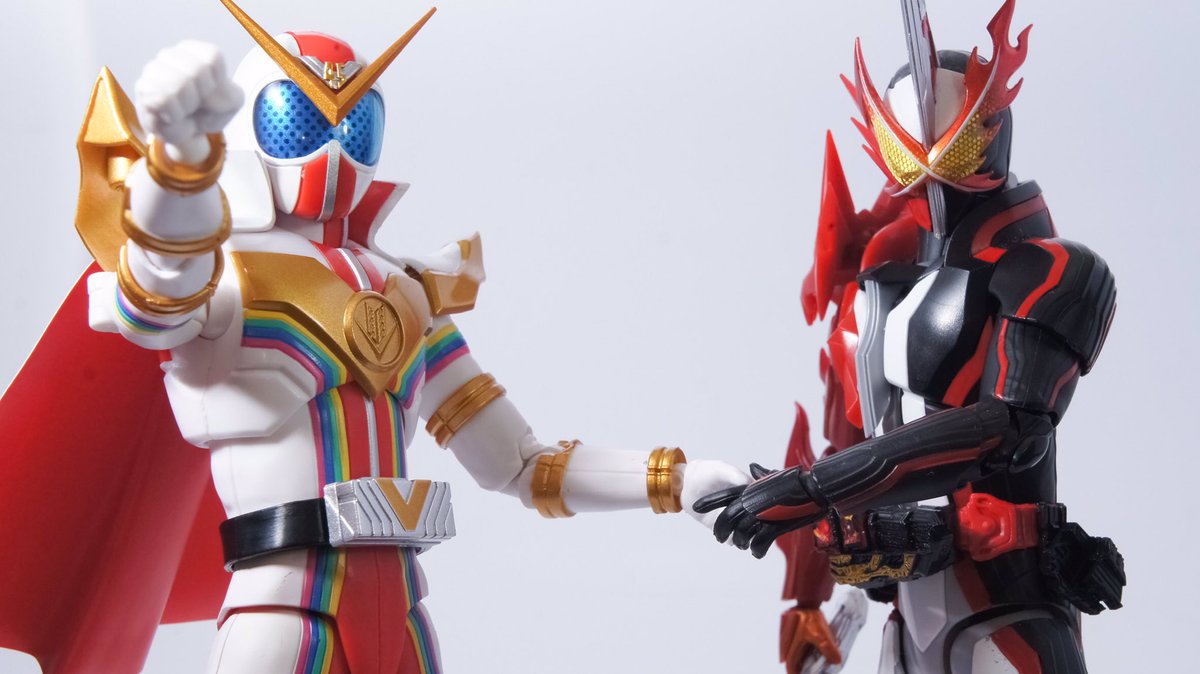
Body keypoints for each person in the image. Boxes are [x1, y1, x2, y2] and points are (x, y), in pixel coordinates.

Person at [0, 2, 746, 672]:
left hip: (403, 609)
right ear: (253, 122)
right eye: (300, 118)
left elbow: (525, 465)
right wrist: (179, 170)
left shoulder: (406, 292)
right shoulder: (228, 274)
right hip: (281, 608)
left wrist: (675, 481)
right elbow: (155, 300)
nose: (332, 144)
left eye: (355, 123)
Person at [696, 1, 1124, 672]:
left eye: (957, 146)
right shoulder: (882, 282)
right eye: (907, 148)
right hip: (904, 613)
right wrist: (807, 598)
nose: (931, 170)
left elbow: (1005, 427)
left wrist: (810, 490)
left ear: (993, 131)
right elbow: (847, 439)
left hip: (1006, 602)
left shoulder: (1053, 269)